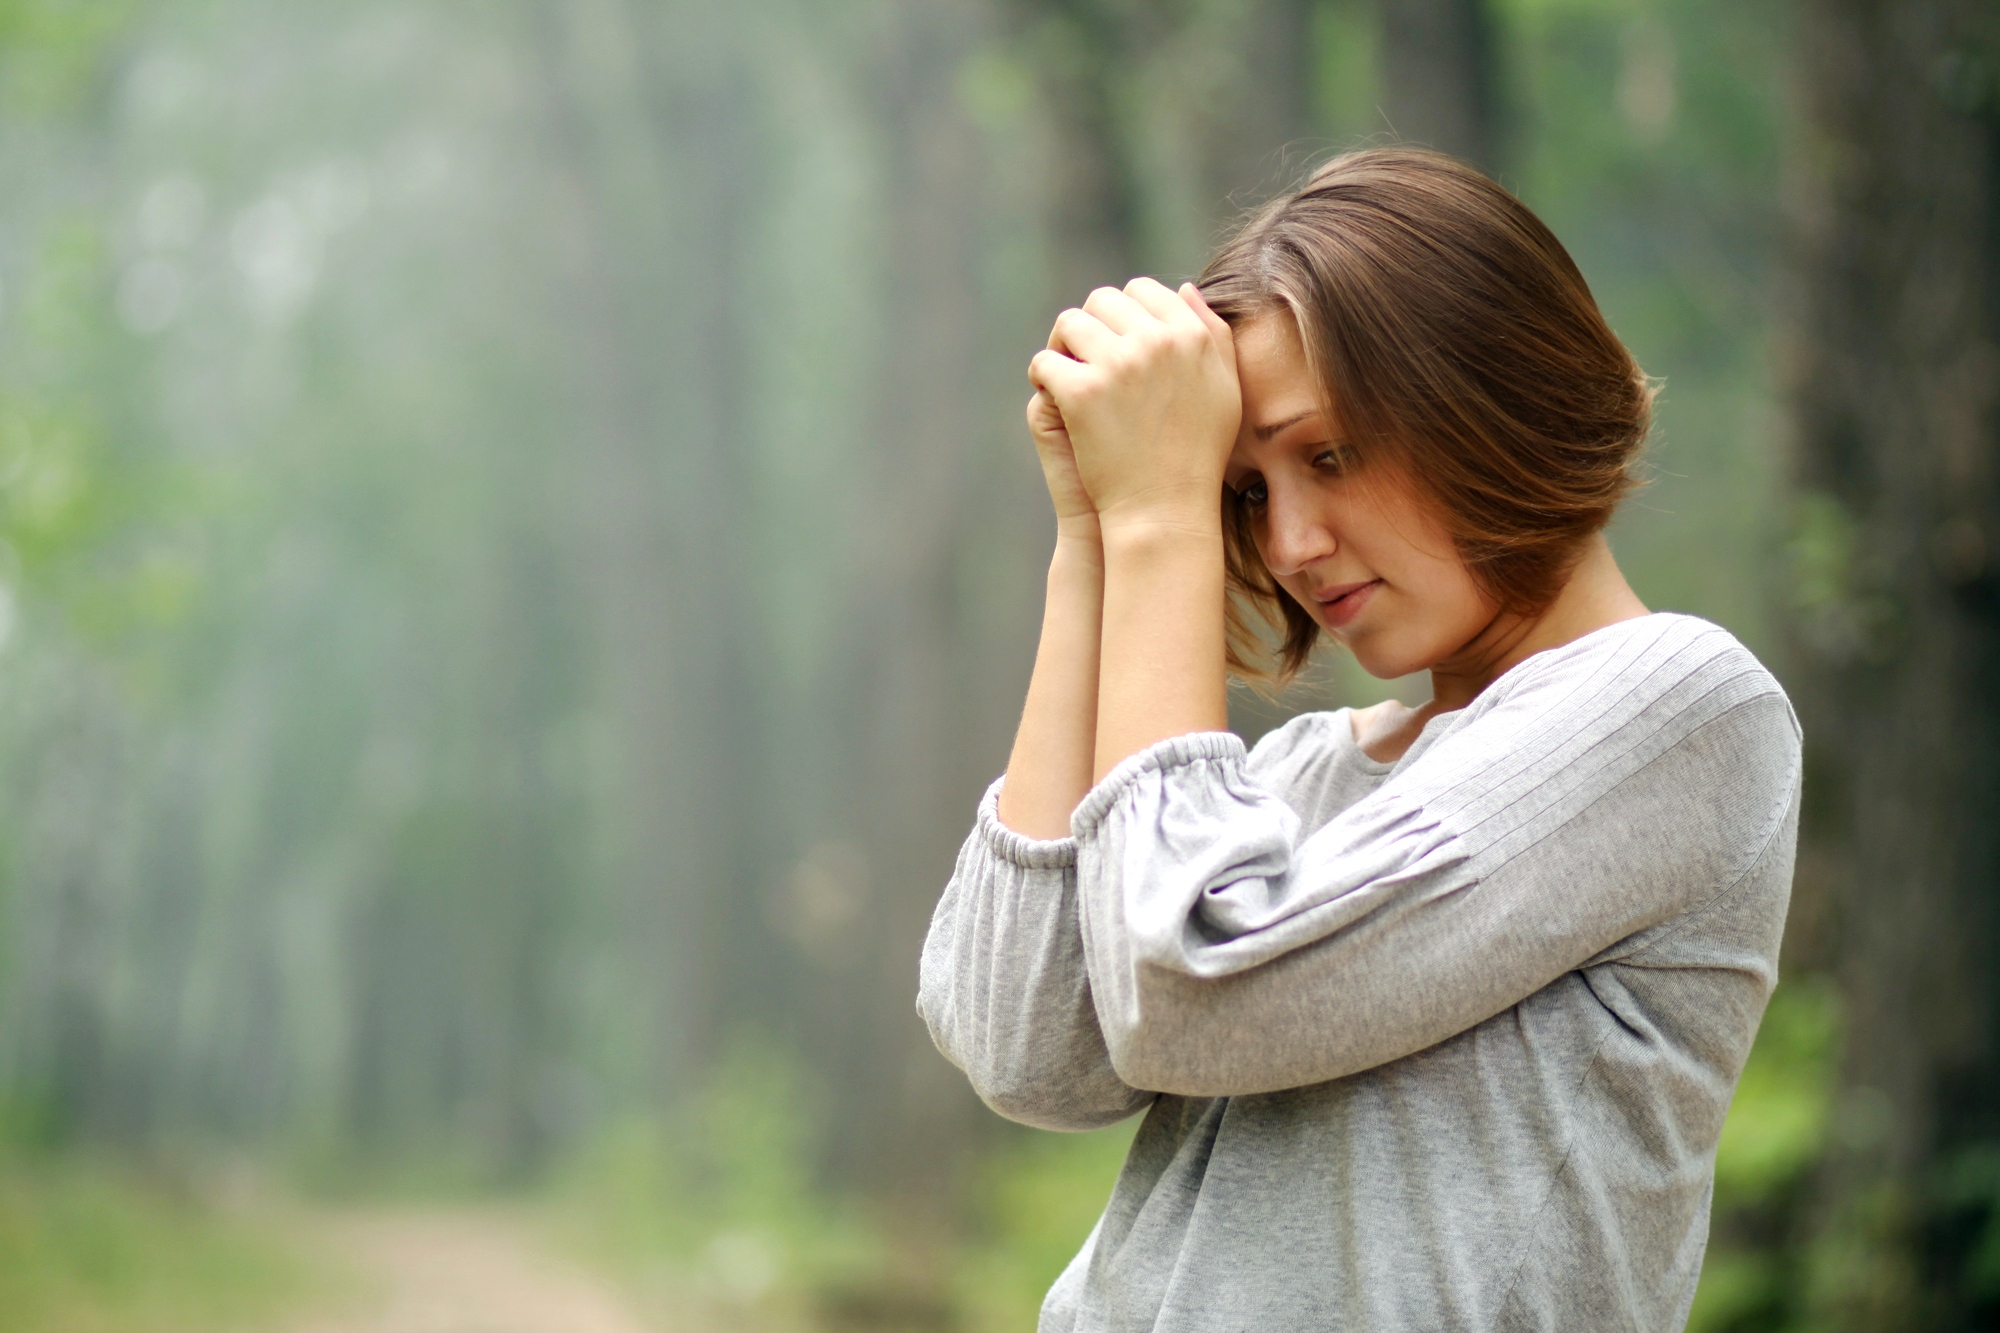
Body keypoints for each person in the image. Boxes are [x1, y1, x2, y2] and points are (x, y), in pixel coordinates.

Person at [916, 148, 1801, 1333]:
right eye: (1240, 489)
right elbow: (1023, 1043)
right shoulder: (1291, 779)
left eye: (1326, 456)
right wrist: (1096, 532)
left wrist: (1160, 514)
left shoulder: (1680, 710)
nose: (1285, 543)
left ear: (1485, 396)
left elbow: (1194, 984)